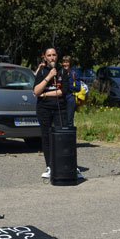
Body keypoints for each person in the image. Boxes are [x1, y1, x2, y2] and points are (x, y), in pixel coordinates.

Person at [34, 47, 81, 180]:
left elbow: (63, 91)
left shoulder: (62, 71)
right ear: (45, 57)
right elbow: (36, 91)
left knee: (63, 136)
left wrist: (45, 94)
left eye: (54, 55)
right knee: (46, 137)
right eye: (49, 55)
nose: (52, 58)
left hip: (60, 108)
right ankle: (50, 166)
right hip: (44, 109)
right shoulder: (42, 71)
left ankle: (67, 165)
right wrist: (48, 77)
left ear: (57, 56)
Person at [61, 55, 81, 127]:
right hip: (61, 98)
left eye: (67, 62)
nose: (65, 64)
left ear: (70, 63)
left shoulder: (74, 73)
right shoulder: (61, 73)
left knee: (69, 120)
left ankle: (70, 136)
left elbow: (78, 88)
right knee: (61, 120)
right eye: (64, 62)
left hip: (70, 98)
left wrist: (68, 86)